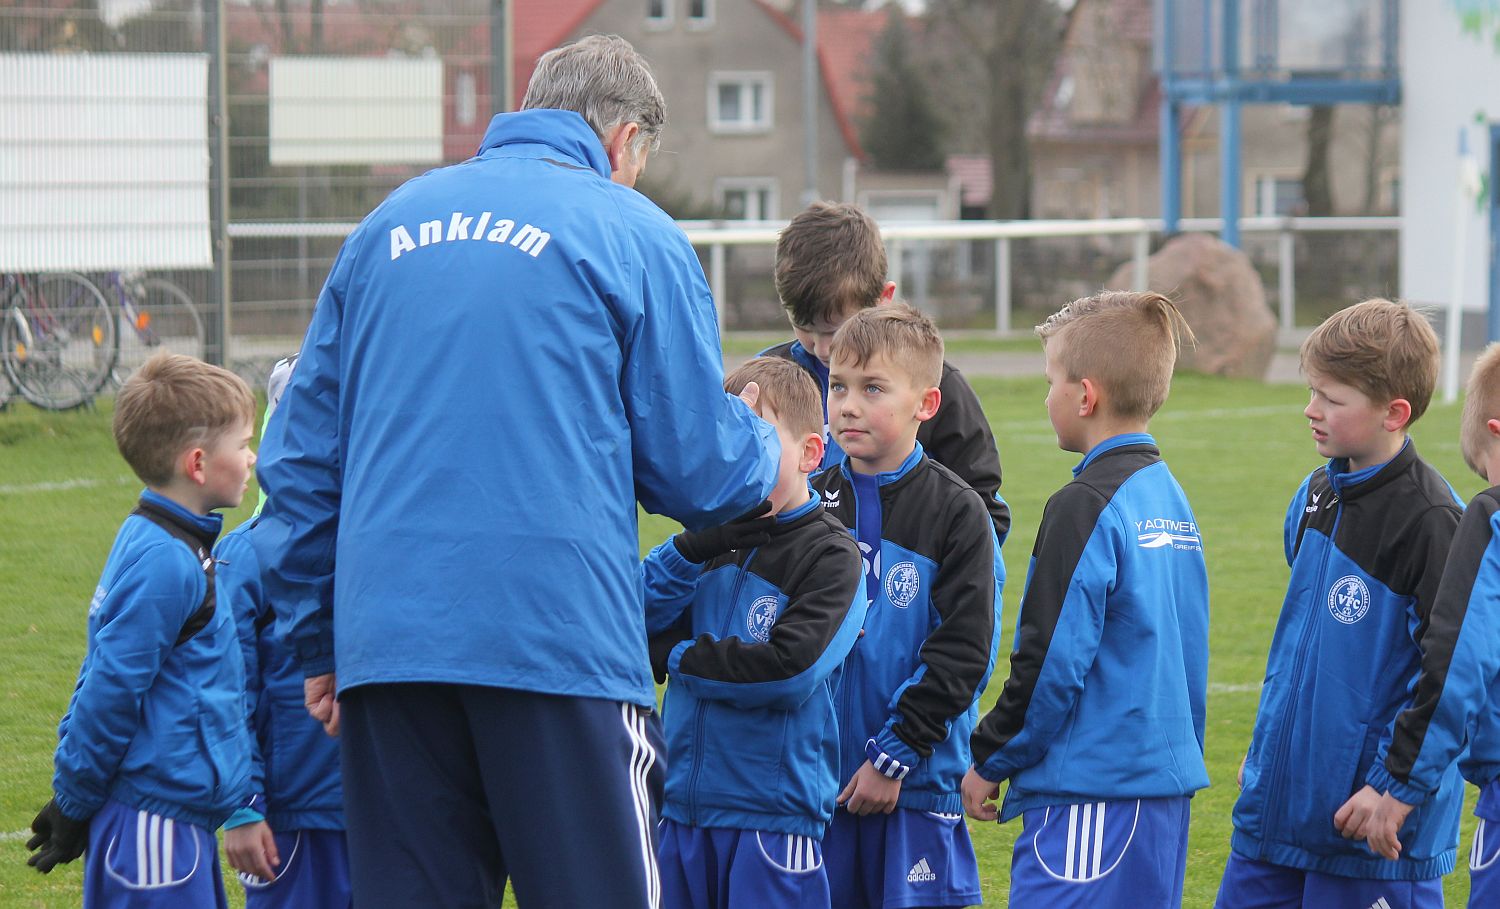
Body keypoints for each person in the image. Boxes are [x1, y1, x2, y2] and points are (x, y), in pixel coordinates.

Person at [253, 34, 780, 909]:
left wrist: (319, 638)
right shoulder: (631, 229)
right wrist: (764, 441)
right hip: (556, 642)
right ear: (624, 142)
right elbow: (701, 469)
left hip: (392, 649)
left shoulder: (385, 225)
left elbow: (302, 463)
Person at [960, 291, 1208, 907]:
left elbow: (1049, 660)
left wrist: (991, 754)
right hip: (1160, 792)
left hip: (1094, 795)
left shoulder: (1083, 506)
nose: (1047, 398)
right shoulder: (1170, 497)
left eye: (1051, 381)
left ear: (1086, 396)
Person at [1216, 299, 1464, 909]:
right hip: (1277, 816)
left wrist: (1392, 786)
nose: (1311, 408)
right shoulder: (1317, 491)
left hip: (1368, 831)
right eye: (1312, 390)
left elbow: (1452, 678)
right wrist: (1270, 750)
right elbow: (1303, 647)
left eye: (1332, 397)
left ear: (1393, 413)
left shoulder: (1432, 524)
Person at [26, 352, 256, 907]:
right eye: (243, 443)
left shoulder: (163, 537)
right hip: (155, 823)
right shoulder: (166, 561)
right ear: (198, 463)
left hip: (176, 817)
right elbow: (108, 691)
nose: (253, 458)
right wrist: (72, 803)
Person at [645, 357, 868, 909]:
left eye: (757, 439)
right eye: (728, 439)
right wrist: (689, 547)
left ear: (811, 454)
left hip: (772, 819)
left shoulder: (832, 557)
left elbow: (787, 669)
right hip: (679, 810)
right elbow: (621, 620)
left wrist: (675, 656)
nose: (737, 458)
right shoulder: (709, 539)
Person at [809, 304, 1003, 909]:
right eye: (838, 386)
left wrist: (894, 756)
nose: (848, 404)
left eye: (872, 388)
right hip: (816, 790)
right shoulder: (810, 503)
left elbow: (964, 652)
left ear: (926, 405)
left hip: (915, 788)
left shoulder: (958, 513)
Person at [763, 201, 1010, 542]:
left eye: (834, 330)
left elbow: (983, 510)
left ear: (883, 299)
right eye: (804, 327)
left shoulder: (935, 386)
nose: (821, 349)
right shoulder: (768, 381)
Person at [217, 355, 352, 909]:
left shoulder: (382, 543)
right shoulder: (245, 557)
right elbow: (226, 692)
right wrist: (243, 803)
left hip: (387, 807)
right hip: (295, 816)